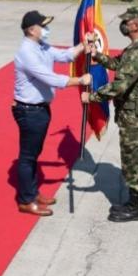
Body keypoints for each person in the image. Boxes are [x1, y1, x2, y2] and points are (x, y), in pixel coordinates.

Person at [12, 11, 91, 216]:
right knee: (28, 157)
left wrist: (83, 45)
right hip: (29, 110)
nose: (46, 29)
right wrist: (79, 80)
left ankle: (32, 192)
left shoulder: (41, 46)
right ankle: (25, 200)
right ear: (32, 30)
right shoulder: (27, 52)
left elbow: (63, 56)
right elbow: (51, 78)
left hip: (39, 109)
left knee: (34, 155)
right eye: (43, 26)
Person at [90, 6, 138, 222]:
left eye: (126, 22)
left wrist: (92, 97)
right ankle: (132, 202)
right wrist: (97, 56)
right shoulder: (135, 48)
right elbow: (118, 64)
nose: (123, 25)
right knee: (130, 157)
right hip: (132, 115)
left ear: (135, 25)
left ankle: (135, 207)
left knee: (136, 160)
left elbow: (120, 86)